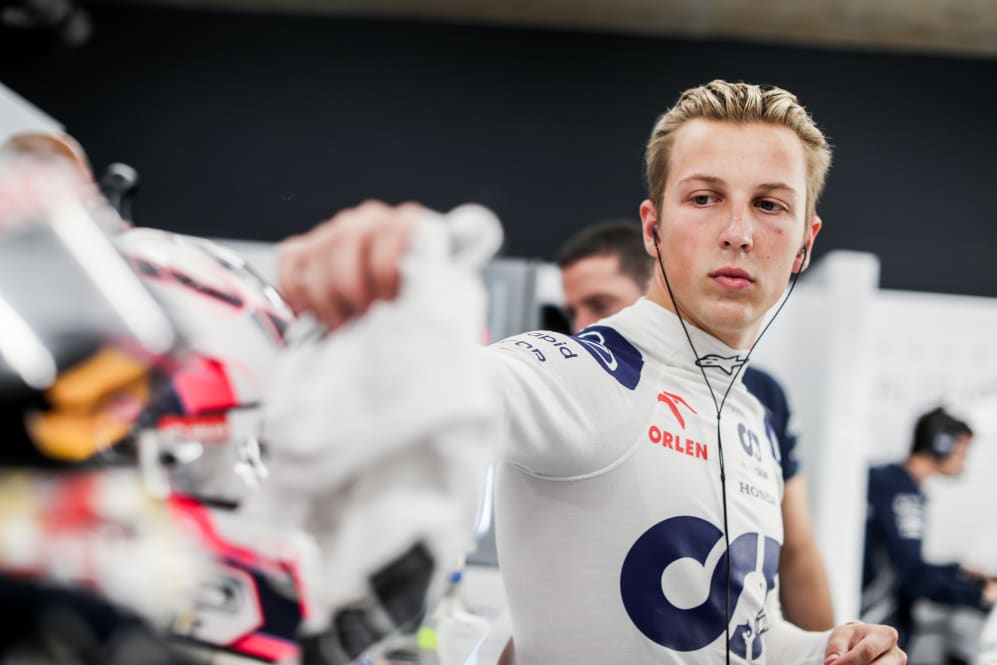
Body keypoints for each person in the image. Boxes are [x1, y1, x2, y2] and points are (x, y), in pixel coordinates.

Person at [277, 80, 905, 664]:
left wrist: (827, 646)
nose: (738, 233)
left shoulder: (751, 416)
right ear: (653, 227)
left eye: (769, 204)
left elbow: (744, 629)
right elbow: (435, 386)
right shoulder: (588, 376)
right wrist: (369, 307)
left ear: (803, 244)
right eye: (704, 198)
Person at [555, 218, 835, 631]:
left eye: (598, 304)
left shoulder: (759, 395)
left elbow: (796, 549)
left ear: (654, 285)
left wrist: (827, 650)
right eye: (572, 311)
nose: (582, 326)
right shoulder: (577, 387)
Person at [862, 407, 997, 651]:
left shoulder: (895, 484)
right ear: (941, 444)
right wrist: (979, 594)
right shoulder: (901, 494)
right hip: (872, 622)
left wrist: (958, 571)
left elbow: (906, 563)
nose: (964, 460)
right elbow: (914, 577)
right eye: (962, 450)